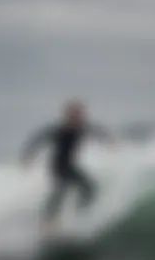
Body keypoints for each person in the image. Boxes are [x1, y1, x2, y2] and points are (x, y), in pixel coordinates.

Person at [21, 99, 114, 233]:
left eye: (81, 114)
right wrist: (28, 156)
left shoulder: (83, 128)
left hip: (71, 165)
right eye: (75, 115)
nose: (79, 118)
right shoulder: (60, 131)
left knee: (90, 188)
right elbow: (39, 138)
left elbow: (97, 130)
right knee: (62, 188)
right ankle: (48, 221)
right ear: (68, 116)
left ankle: (80, 213)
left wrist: (109, 140)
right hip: (57, 166)